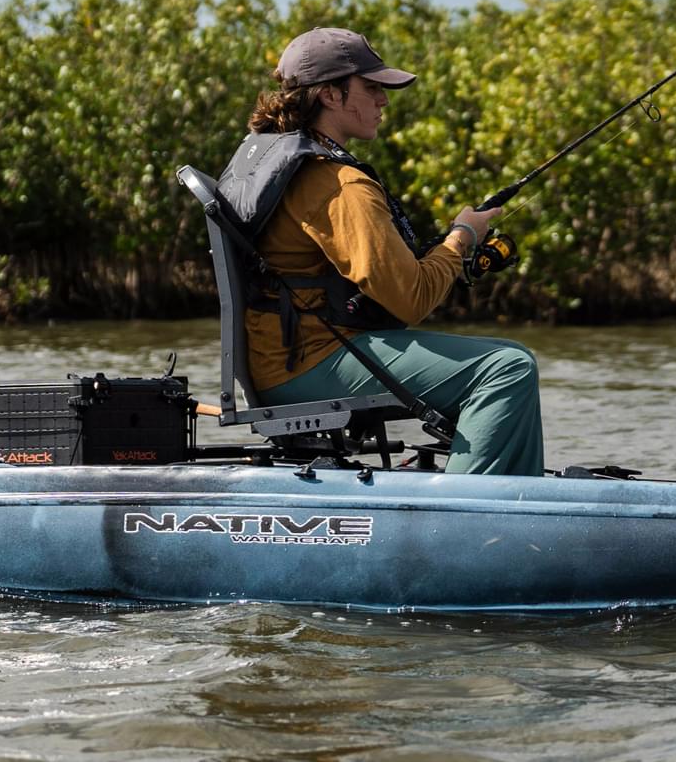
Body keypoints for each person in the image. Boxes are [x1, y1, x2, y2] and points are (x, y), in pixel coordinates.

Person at [215, 26, 544, 476]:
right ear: (330, 95)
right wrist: (461, 237)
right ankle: (471, 512)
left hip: (281, 360)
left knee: (504, 356)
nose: (384, 100)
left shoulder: (275, 158)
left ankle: (496, 490)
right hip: (309, 365)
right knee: (506, 368)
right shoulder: (337, 184)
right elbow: (411, 299)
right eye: (372, 89)